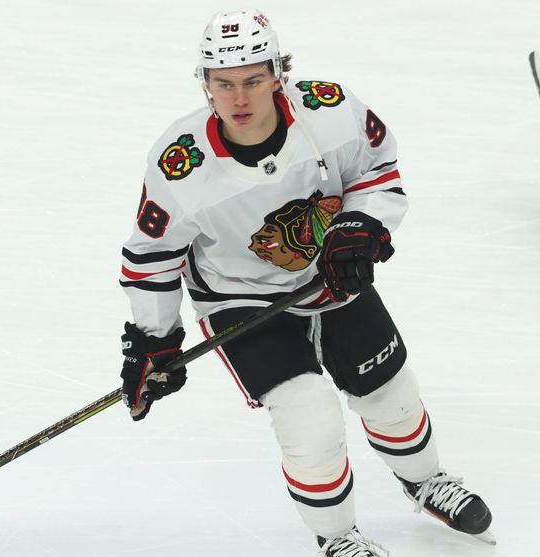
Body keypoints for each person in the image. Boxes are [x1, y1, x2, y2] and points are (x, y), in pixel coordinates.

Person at [118, 8, 493, 557]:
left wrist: (361, 225)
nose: (239, 99)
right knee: (308, 413)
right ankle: (338, 536)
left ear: (277, 73)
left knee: (388, 390)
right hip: (239, 299)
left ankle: (425, 480)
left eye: (251, 80)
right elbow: (153, 255)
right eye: (223, 84)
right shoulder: (181, 165)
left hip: (329, 277)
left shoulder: (331, 110)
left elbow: (378, 171)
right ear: (206, 84)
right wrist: (155, 339)